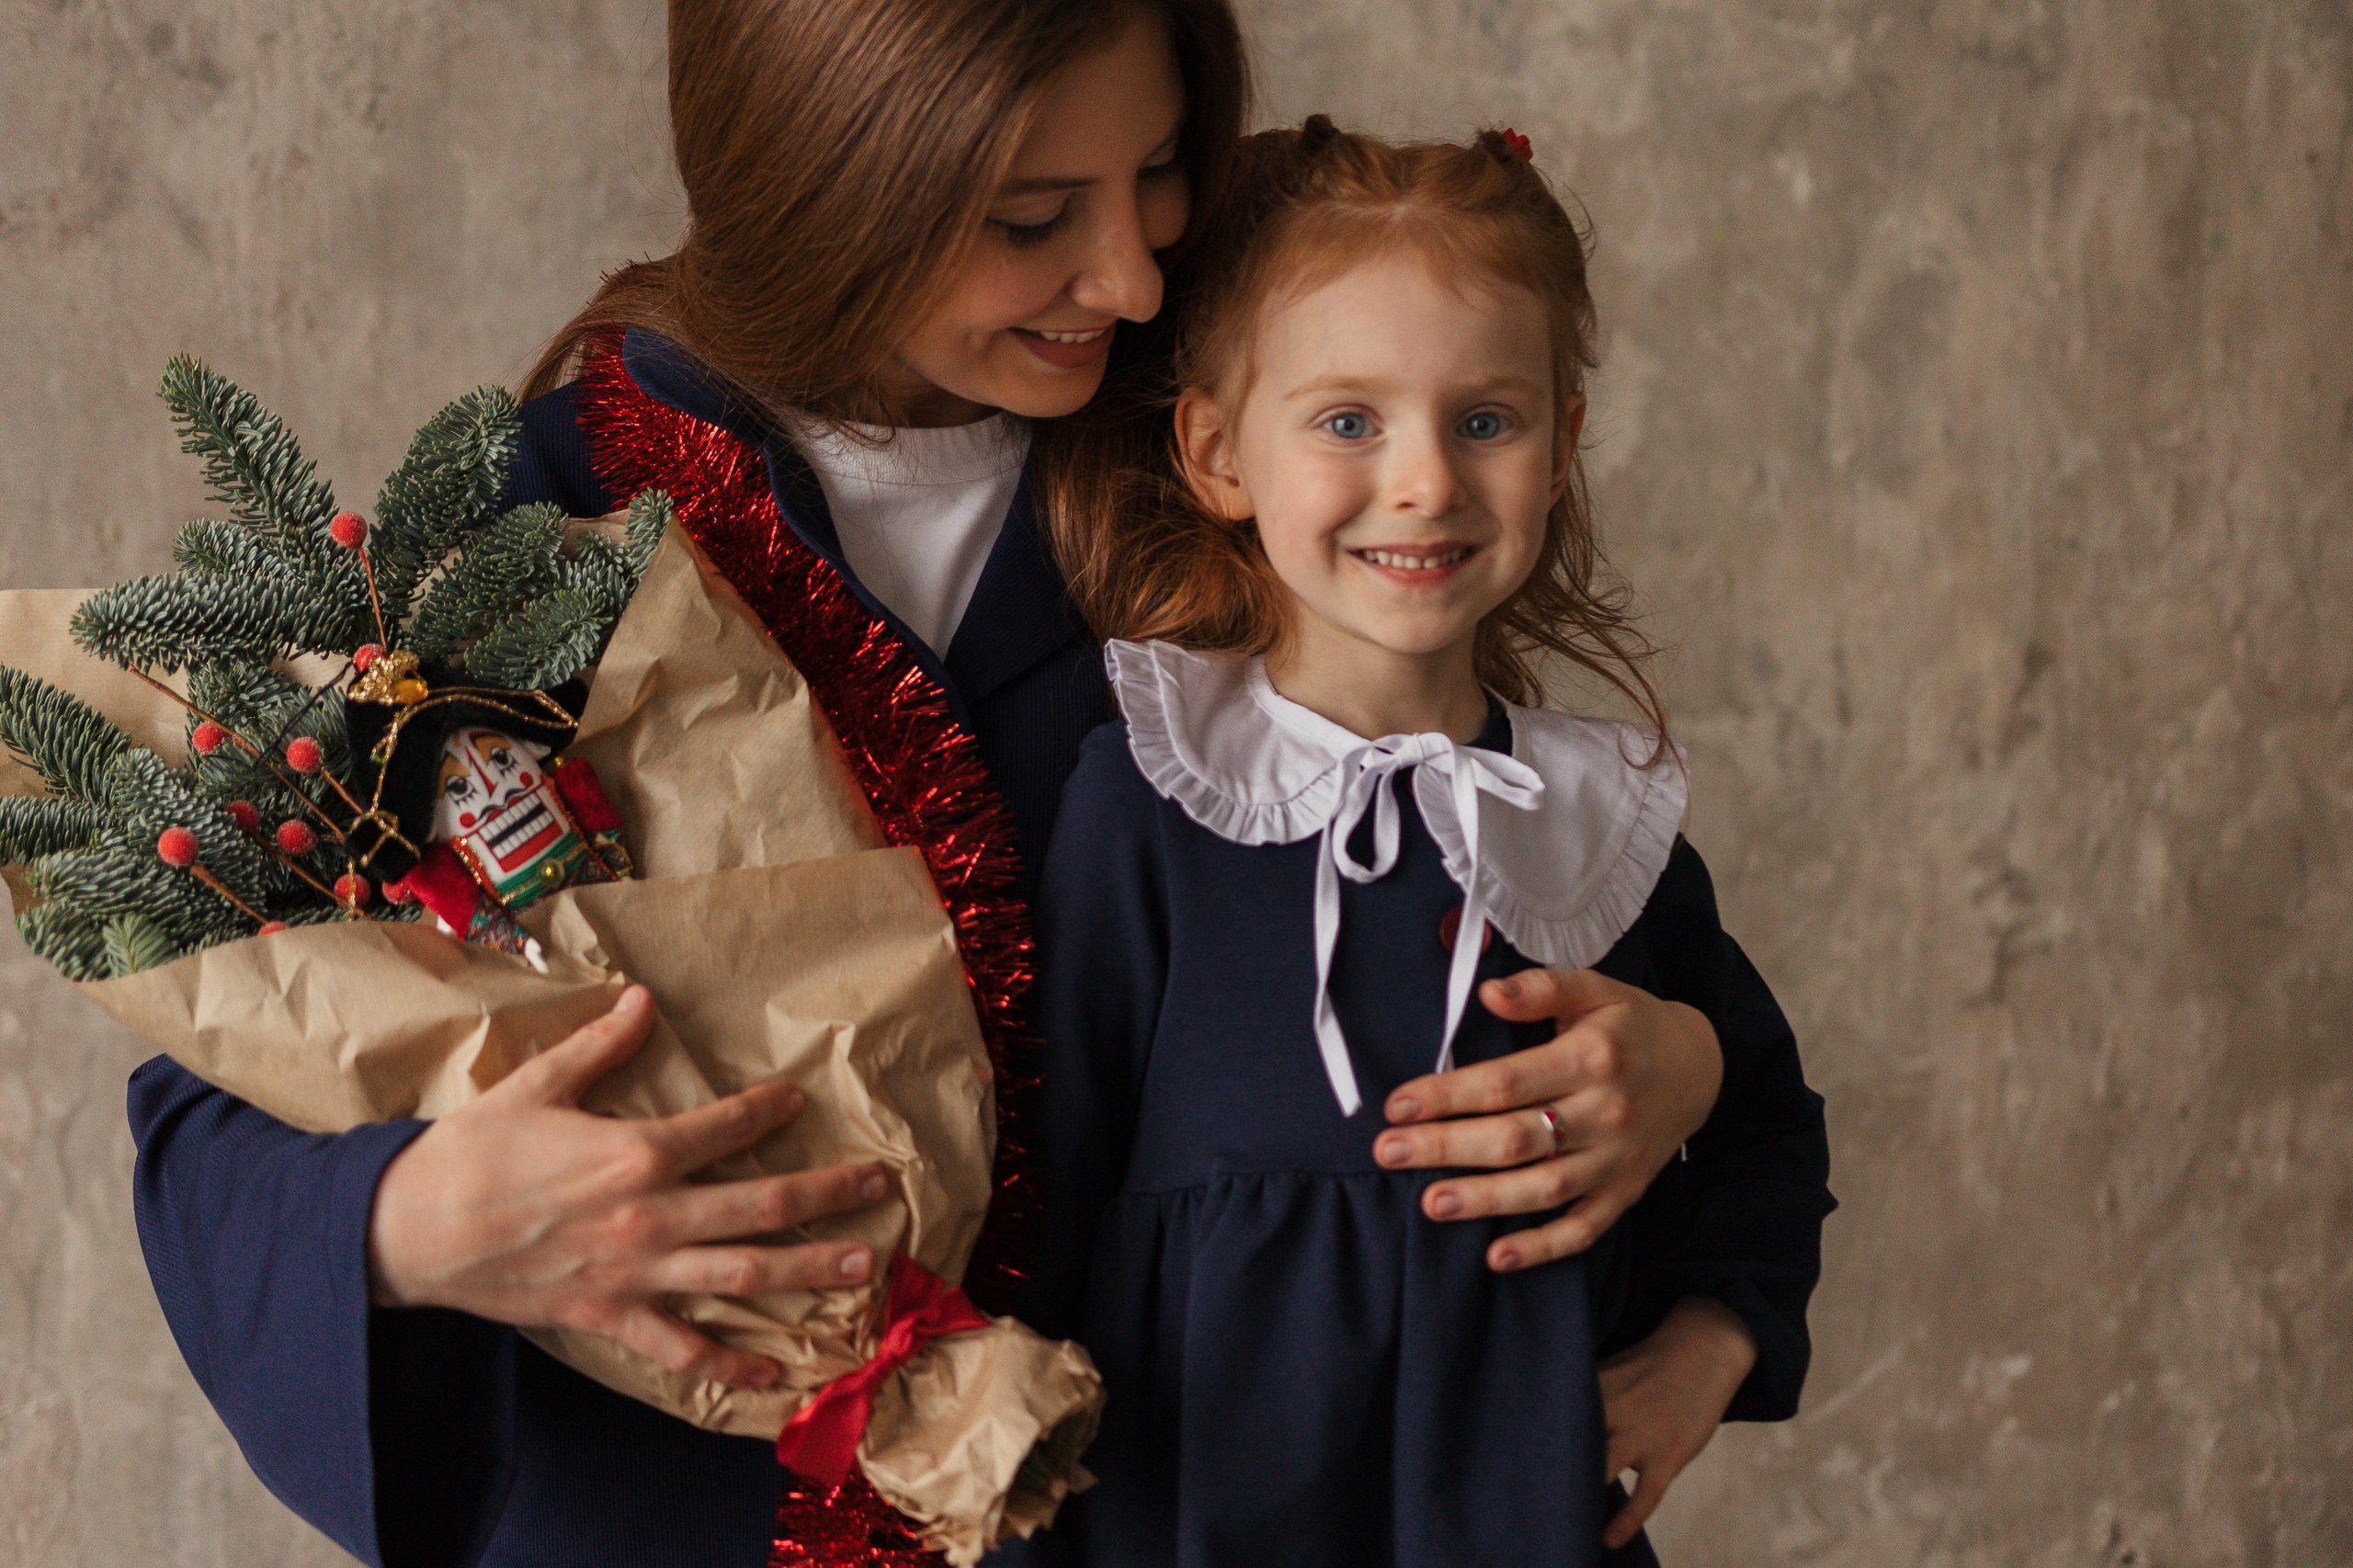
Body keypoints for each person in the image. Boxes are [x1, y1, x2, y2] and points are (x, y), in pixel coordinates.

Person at [124, 6, 1739, 1566]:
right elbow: (245, 1057)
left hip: (1166, 1498)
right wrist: (414, 1216)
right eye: (1034, 216)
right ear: (830, 184)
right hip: (683, 1511)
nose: (1131, 275)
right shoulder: (552, 518)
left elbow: (1501, 905)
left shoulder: (1275, 459)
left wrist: (1685, 1077)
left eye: (1160, 173)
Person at [1009, 119, 1835, 1566]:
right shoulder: (1140, 805)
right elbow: (1033, 1208)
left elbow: (1765, 1116)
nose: (1426, 483)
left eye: (1485, 421)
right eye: (1348, 421)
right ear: (1217, 450)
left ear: (1561, 445)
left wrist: (1709, 1345)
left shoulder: (1592, 828)